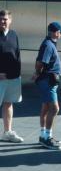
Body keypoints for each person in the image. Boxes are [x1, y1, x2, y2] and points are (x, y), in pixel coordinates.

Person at [32, 22, 61, 150]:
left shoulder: (49, 44)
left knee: (46, 107)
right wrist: (37, 73)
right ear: (56, 32)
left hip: (48, 81)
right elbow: (40, 62)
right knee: (54, 108)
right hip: (47, 81)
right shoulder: (48, 45)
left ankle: (43, 136)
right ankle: (47, 138)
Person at [0, 10, 23, 143]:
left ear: (10, 20)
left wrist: (17, 74)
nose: (3, 21)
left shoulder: (14, 35)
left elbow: (17, 54)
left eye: (5, 19)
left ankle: (7, 132)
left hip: (13, 78)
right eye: (1, 19)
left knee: (8, 104)